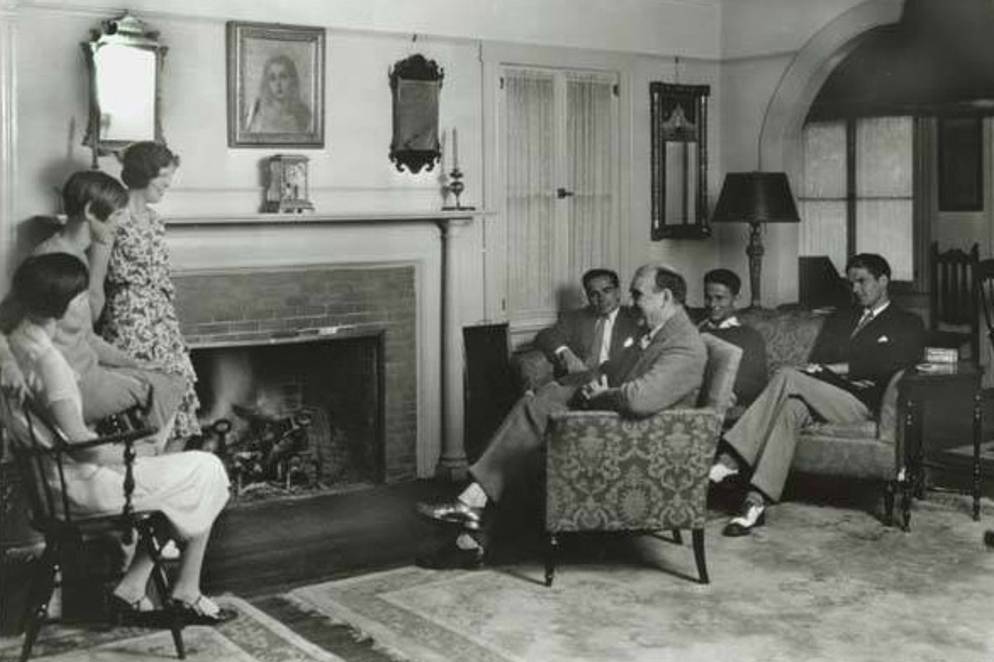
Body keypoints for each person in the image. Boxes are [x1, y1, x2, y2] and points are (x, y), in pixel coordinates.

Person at [417, 264, 707, 568]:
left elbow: (639, 399)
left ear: (665, 297)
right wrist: (579, 384)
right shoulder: (658, 332)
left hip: (637, 444)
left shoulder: (684, 345)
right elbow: (614, 371)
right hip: (621, 425)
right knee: (542, 403)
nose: (631, 303)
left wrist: (600, 393)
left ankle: (471, 523)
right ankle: (472, 514)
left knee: (529, 445)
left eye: (638, 295)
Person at [5, 254, 233, 623]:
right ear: (60, 307)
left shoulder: (15, 342)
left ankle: (131, 589)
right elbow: (80, 446)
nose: (87, 304)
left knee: (184, 481)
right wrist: (128, 453)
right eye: (80, 298)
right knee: (206, 468)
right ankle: (185, 591)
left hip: (50, 481)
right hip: (79, 488)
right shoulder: (50, 364)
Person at [710, 254, 925, 536]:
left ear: (883, 281)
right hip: (825, 391)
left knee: (787, 374)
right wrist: (837, 369)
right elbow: (818, 357)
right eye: (852, 283)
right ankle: (754, 504)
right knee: (791, 408)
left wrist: (836, 368)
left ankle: (731, 458)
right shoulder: (841, 317)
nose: (856, 290)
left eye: (862, 282)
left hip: (861, 402)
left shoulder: (907, 321)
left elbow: (895, 362)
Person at [0, 170, 184, 454]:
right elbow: (4, 320)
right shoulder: (49, 261)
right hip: (69, 388)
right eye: (116, 215)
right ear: (89, 211)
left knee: (165, 377)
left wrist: (134, 363)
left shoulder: (78, 258)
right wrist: (9, 367)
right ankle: (146, 462)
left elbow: (86, 337)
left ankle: (140, 459)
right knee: (169, 385)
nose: (122, 224)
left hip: (89, 370)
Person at [99, 142, 201, 446]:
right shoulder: (113, 218)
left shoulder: (156, 222)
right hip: (129, 318)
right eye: (164, 177)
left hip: (163, 319)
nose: (168, 184)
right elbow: (95, 281)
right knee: (142, 404)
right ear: (144, 174)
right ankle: (143, 480)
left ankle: (168, 480)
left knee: (181, 394)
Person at [533, 268, 644, 379]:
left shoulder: (634, 318)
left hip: (614, 383)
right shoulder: (576, 318)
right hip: (578, 380)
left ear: (618, 292)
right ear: (587, 297)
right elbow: (545, 336)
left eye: (607, 290)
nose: (601, 298)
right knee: (548, 393)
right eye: (594, 294)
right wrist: (565, 353)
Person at [698, 268, 768, 407]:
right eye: (708, 297)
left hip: (733, 404)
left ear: (736, 298)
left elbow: (757, 382)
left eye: (720, 298)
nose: (712, 304)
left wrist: (729, 393)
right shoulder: (695, 331)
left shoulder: (750, 336)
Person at [246, 54, 312, 133]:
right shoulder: (257, 112)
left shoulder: (304, 114)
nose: (278, 83)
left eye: (283, 77)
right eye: (272, 78)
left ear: (292, 80)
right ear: (267, 83)